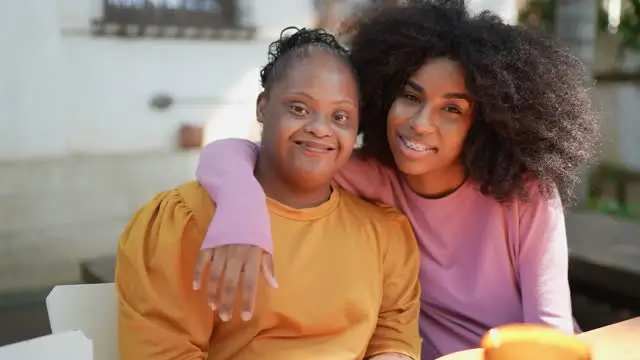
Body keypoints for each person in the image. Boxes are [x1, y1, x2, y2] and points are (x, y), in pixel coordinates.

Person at [191, 1, 600, 359]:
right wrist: (241, 212)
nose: (420, 124)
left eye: (452, 110)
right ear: (383, 95)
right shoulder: (370, 175)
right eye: (410, 96)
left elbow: (550, 328)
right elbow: (236, 154)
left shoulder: (525, 194)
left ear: (486, 122)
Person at [116, 27, 422, 360]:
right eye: (299, 109)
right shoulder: (186, 221)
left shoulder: (383, 234)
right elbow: (165, 350)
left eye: (340, 116)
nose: (320, 128)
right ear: (263, 107)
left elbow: (393, 336)